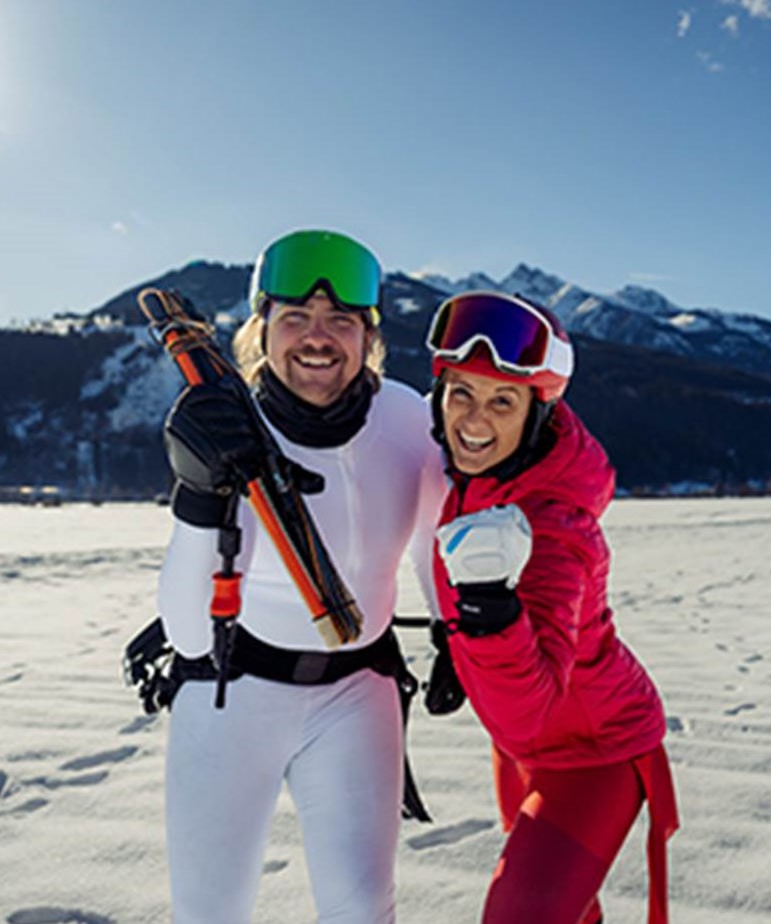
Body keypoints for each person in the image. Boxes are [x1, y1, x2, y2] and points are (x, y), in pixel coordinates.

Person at [157, 229, 444, 924]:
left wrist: (452, 633)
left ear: (367, 335)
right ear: (262, 329)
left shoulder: (408, 418)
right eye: (295, 319)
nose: (318, 337)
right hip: (230, 696)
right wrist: (198, 494)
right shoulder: (225, 423)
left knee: (362, 912)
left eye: (341, 320)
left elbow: (432, 544)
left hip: (359, 695)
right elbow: (188, 635)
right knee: (209, 914)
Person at [422, 291, 680, 924]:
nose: (475, 418)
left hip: (595, 754)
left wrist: (489, 623)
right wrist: (454, 643)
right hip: (523, 749)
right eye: (462, 393)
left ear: (538, 413)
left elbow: (533, 704)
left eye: (502, 401)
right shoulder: (486, 477)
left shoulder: (556, 530)